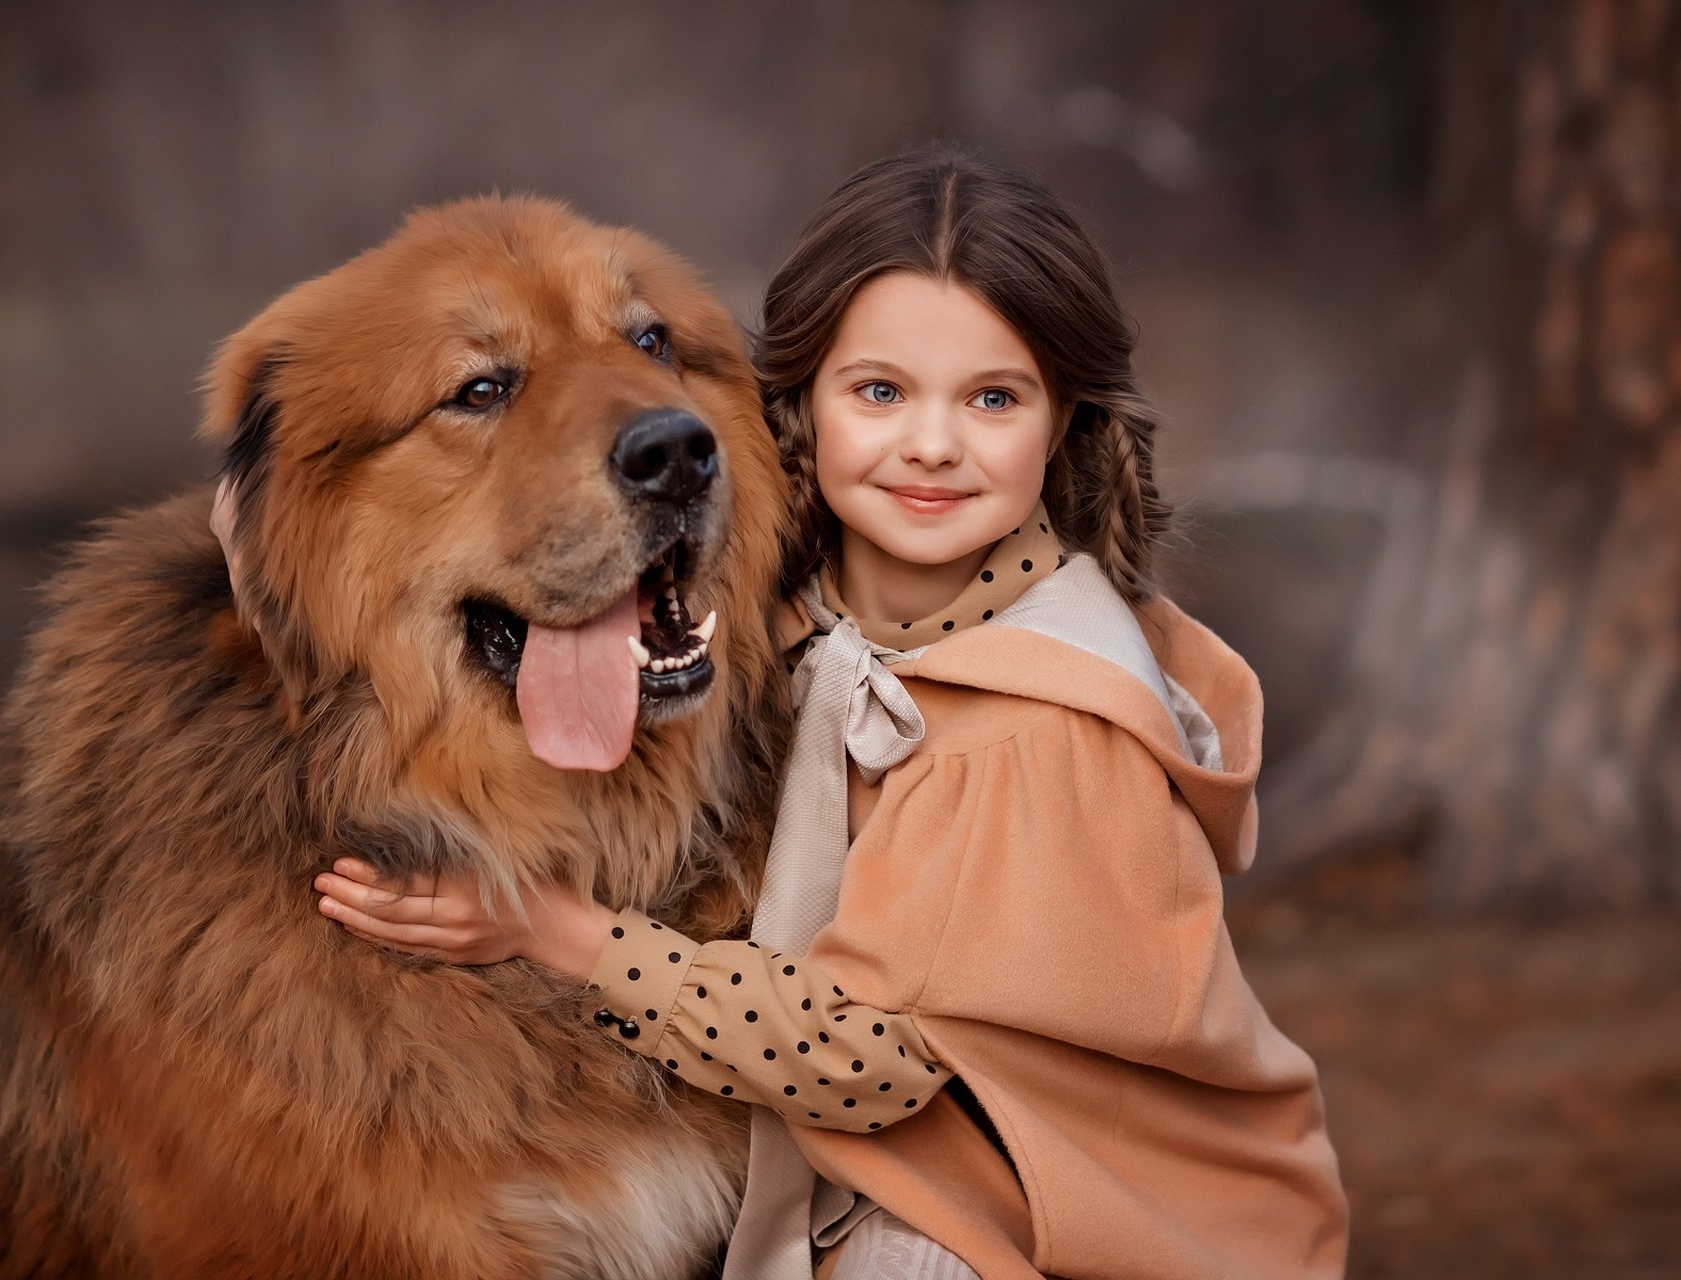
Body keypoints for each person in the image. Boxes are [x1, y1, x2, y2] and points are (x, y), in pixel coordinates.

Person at [313, 147, 1349, 1279]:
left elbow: (866, 1055)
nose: (934, 443)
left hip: (1090, 1224)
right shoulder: (833, 601)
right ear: (792, 401)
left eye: (993, 397)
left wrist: (562, 935)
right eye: (882, 391)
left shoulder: (1029, 732)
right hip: (939, 1167)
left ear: (1066, 423)